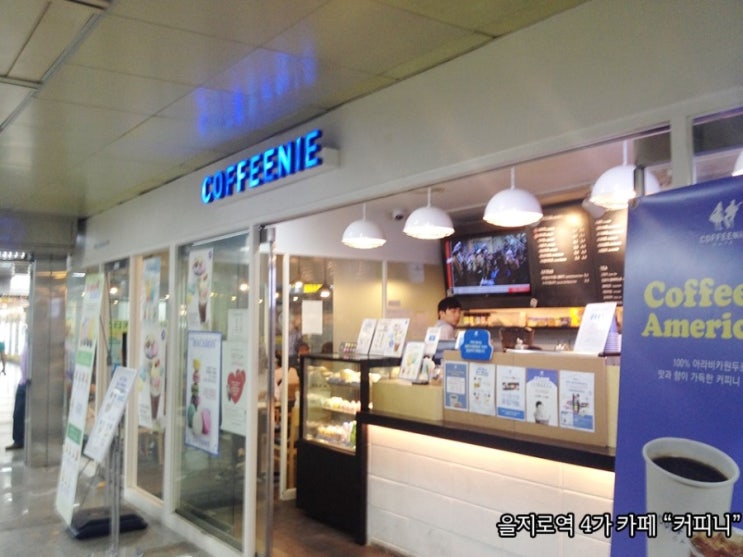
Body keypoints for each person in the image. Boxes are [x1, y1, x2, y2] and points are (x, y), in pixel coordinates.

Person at [6, 343, 27, 450]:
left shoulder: (33, 342)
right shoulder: (28, 342)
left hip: (28, 383)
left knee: (19, 413)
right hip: (23, 382)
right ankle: (18, 440)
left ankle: (20, 440)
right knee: (18, 414)